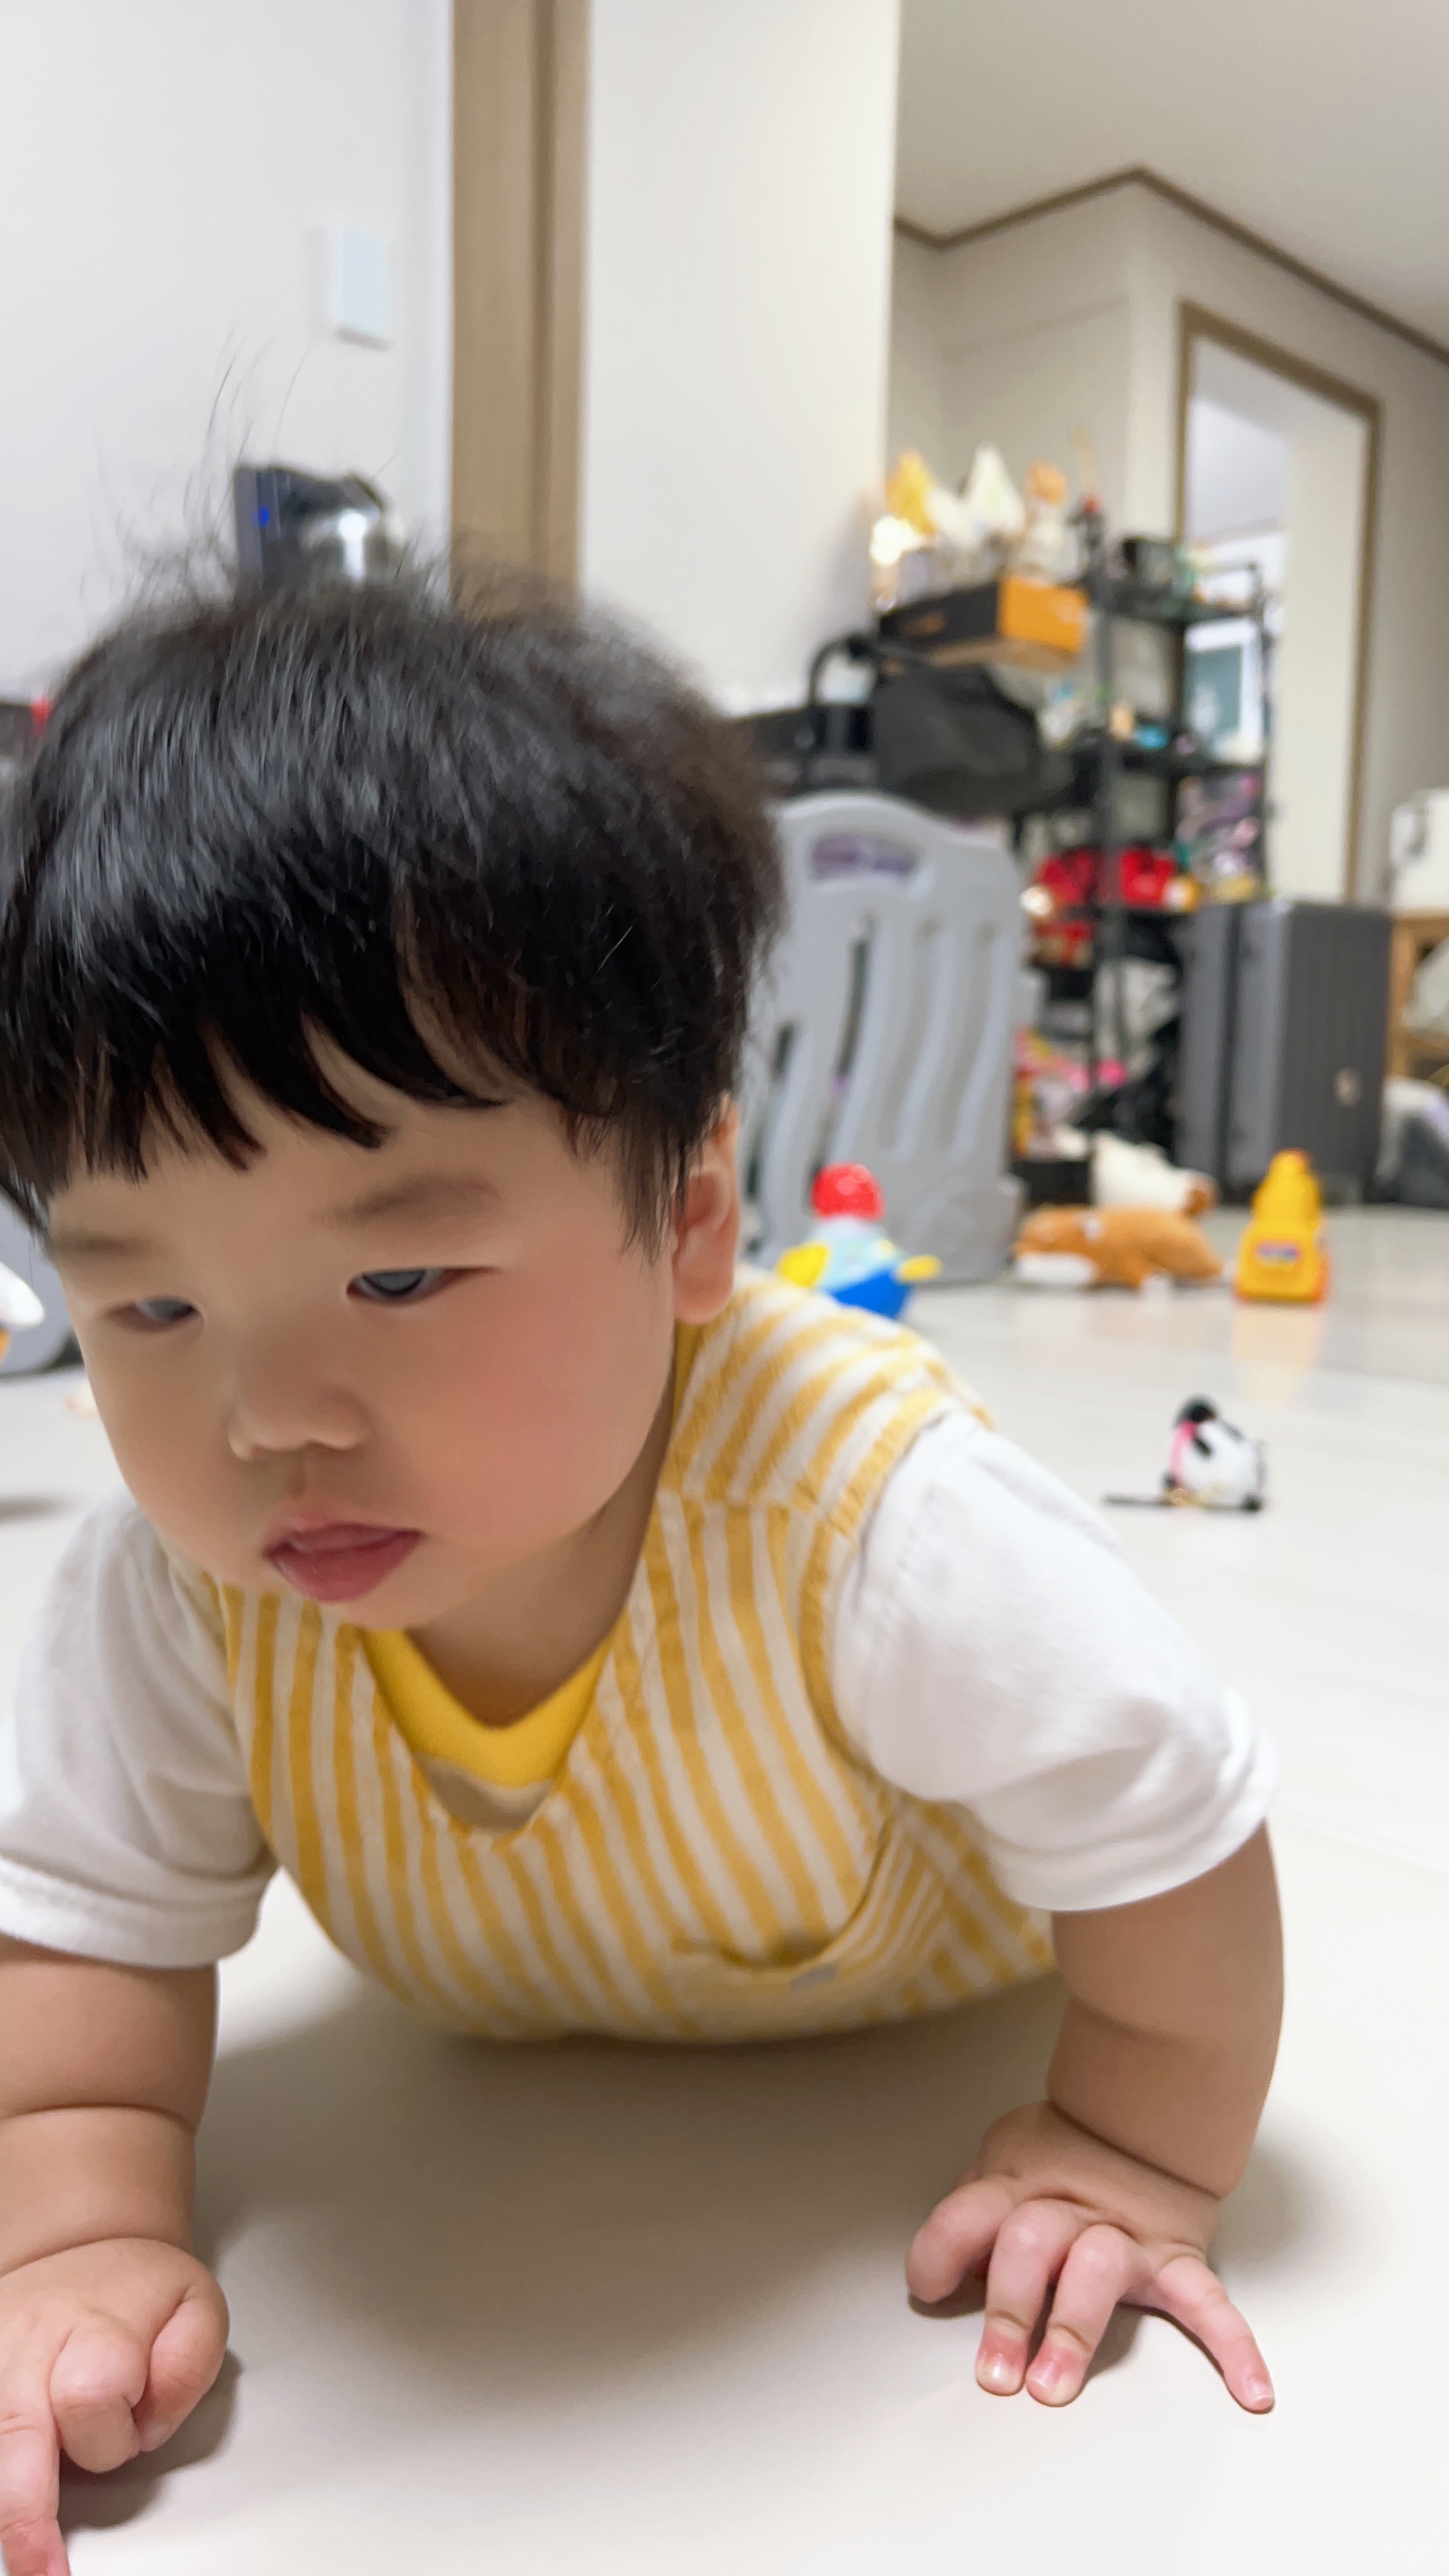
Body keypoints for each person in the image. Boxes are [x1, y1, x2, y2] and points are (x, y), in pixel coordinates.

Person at [0, 578, 1282, 2576]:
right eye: (150, 1305)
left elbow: (1168, 1813)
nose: (268, 1419)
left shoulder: (868, 1520)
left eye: (397, 1275)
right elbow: (84, 1944)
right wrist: (74, 2233)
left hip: (922, 2003)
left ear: (689, 1216)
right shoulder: (182, 1591)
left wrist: (1130, 2147)